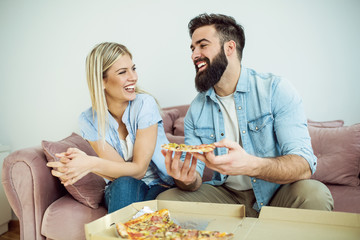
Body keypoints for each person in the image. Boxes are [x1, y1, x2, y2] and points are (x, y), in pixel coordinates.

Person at [157, 13, 334, 217]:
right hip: (227, 196)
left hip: (277, 193)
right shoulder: (196, 110)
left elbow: (303, 164)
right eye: (192, 48)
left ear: (229, 48)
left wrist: (251, 165)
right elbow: (194, 178)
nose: (194, 54)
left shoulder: (275, 90)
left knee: (315, 194)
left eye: (202, 45)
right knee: (166, 201)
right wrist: (185, 179)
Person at [47, 42, 174, 213]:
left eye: (133, 68)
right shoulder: (88, 120)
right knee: (124, 184)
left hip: (160, 184)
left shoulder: (145, 104)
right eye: (122, 72)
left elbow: (139, 170)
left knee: (147, 203)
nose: (133, 77)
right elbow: (124, 174)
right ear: (101, 81)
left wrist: (91, 163)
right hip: (125, 186)